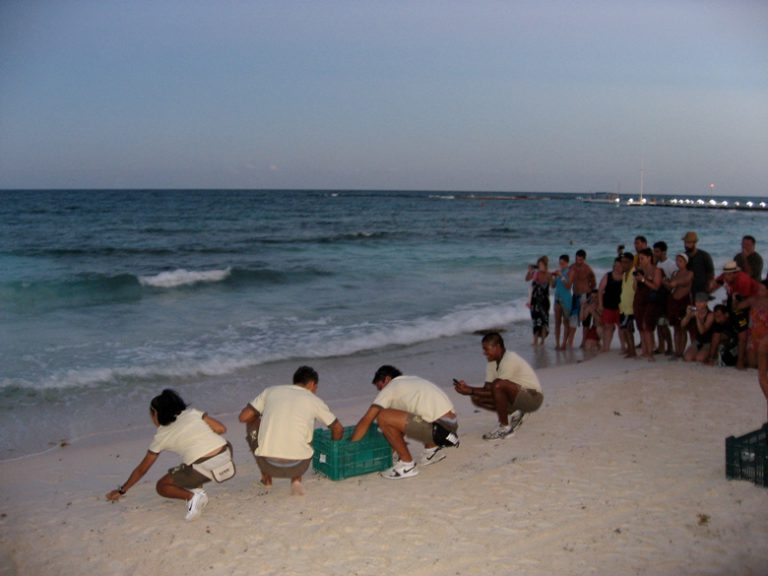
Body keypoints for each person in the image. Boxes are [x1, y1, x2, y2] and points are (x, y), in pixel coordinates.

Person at [105, 389, 235, 521]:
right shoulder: (192, 413)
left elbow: (141, 470)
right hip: (226, 454)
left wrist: (121, 490)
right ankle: (197, 487)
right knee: (189, 464)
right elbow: (221, 429)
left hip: (202, 468)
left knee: (162, 486)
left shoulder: (160, 437)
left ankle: (193, 498)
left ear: (155, 414)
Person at [238, 366, 343, 495]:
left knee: (252, 421)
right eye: (316, 387)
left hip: (267, 464)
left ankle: (266, 478)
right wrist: (334, 448)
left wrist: (264, 418)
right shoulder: (314, 401)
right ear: (311, 384)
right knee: (306, 427)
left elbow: (243, 417)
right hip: (299, 465)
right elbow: (338, 428)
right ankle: (296, 480)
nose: (315, 390)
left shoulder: (271, 391)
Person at [351, 365, 458, 480]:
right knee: (402, 415)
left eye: (380, 387)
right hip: (450, 431)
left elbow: (367, 419)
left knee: (382, 416)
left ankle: (407, 466)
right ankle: (432, 452)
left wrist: (351, 448)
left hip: (439, 431)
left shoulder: (391, 387)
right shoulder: (411, 381)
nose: (380, 391)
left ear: (387, 379)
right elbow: (401, 423)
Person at [454, 332, 543, 440]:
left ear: (497, 347)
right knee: (477, 398)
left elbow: (498, 387)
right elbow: (487, 389)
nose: (484, 353)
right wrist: (467, 389)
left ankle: (505, 428)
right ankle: (518, 413)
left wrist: (470, 390)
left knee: (498, 384)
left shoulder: (509, 359)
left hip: (533, 397)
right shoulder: (492, 363)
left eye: (486, 349)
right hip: (517, 397)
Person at [710, 261, 762, 370]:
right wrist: (709, 289)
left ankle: (740, 361)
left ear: (735, 273)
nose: (726, 277)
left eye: (729, 275)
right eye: (725, 274)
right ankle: (713, 356)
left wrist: (733, 306)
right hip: (733, 299)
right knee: (720, 324)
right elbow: (715, 284)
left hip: (748, 302)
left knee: (742, 334)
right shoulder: (725, 275)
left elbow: (742, 304)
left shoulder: (743, 281)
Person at [633, 248, 663, 361]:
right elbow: (635, 288)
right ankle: (645, 351)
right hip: (639, 299)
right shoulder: (639, 270)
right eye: (639, 259)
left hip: (650, 300)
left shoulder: (656, 270)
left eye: (642, 258)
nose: (640, 261)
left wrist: (644, 280)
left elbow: (656, 287)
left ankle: (650, 353)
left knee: (647, 326)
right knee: (640, 326)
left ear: (649, 258)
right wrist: (636, 279)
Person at [662, 253, 693, 358]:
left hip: (684, 302)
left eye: (680, 261)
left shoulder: (689, 273)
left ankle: (681, 351)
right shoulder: (675, 273)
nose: (678, 263)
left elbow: (682, 282)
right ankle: (677, 351)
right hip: (674, 301)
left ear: (686, 262)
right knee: (676, 328)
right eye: (677, 261)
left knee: (683, 327)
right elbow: (670, 287)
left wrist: (670, 283)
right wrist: (665, 282)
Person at [570, 249, 597, 348]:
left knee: (586, 321)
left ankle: (583, 342)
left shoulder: (587, 268)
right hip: (575, 295)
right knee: (573, 319)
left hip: (585, 294)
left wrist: (591, 294)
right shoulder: (572, 267)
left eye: (580, 260)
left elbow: (593, 282)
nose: (578, 262)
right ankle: (570, 342)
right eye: (577, 259)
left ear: (584, 259)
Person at [653, 241, 676, 356]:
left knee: (664, 323)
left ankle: (670, 347)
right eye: (654, 251)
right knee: (658, 323)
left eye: (657, 251)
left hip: (666, 296)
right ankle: (661, 346)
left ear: (664, 252)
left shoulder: (671, 264)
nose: (655, 254)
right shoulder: (656, 263)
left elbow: (674, 281)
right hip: (657, 295)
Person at [597, 258, 623, 352]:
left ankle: (623, 347)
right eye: (615, 265)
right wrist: (600, 304)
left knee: (621, 327)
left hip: (621, 307)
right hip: (608, 305)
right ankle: (606, 347)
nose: (617, 267)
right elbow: (600, 290)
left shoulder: (626, 276)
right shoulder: (608, 276)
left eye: (619, 266)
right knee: (608, 327)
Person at [525, 256, 552, 346]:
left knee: (544, 321)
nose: (540, 266)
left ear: (545, 265)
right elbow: (526, 279)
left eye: (542, 265)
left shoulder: (548, 274)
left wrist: (553, 278)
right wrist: (529, 271)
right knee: (535, 321)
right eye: (539, 265)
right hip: (534, 301)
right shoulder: (535, 273)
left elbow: (553, 285)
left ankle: (543, 341)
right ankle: (535, 340)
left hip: (544, 301)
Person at [682, 292, 715, 363]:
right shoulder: (694, 312)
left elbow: (702, 331)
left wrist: (697, 317)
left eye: (701, 302)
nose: (698, 304)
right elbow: (682, 325)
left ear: (706, 303)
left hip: (708, 343)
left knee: (699, 359)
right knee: (687, 358)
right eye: (697, 302)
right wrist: (687, 315)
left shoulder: (711, 315)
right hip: (698, 341)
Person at [682, 231, 714, 300]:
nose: (686, 245)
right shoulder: (683, 257)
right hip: (687, 290)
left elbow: (711, 273)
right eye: (685, 243)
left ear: (695, 243)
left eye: (689, 243)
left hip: (702, 289)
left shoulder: (704, 256)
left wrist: (709, 286)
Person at [618, 251, 637, 358]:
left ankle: (632, 351)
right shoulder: (624, 274)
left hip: (630, 307)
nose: (623, 264)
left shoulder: (634, 273)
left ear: (631, 262)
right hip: (623, 306)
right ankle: (630, 350)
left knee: (628, 329)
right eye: (622, 262)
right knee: (625, 329)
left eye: (625, 262)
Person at [552, 254, 573, 350]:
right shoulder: (559, 272)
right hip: (557, 298)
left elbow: (568, 286)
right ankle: (557, 343)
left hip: (566, 299)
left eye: (563, 263)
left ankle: (564, 343)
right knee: (557, 322)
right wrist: (553, 277)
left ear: (567, 263)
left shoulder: (570, 272)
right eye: (560, 263)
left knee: (566, 322)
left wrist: (561, 276)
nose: (561, 265)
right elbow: (553, 286)